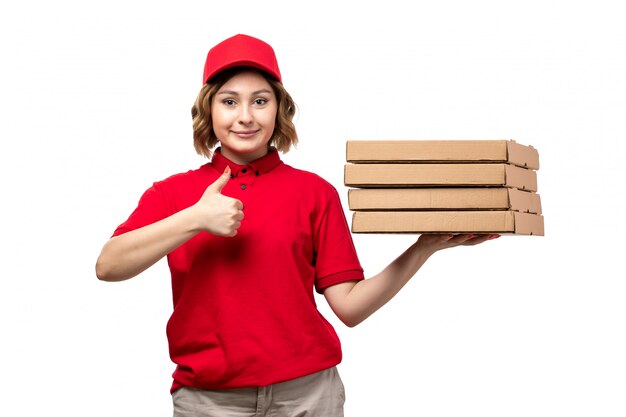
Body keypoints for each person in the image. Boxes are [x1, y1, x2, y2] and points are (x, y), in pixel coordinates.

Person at [95, 33, 499, 417]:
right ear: (209, 110)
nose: (246, 116)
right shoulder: (172, 193)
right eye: (230, 101)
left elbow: (350, 307)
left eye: (260, 101)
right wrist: (195, 218)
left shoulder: (314, 193)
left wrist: (424, 246)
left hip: (308, 394)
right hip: (208, 400)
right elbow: (108, 266)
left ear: (279, 109)